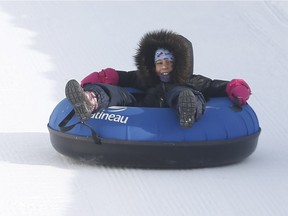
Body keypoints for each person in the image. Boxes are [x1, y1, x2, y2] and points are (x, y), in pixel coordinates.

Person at [65, 29, 251, 128]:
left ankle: (188, 111)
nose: (164, 67)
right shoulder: (147, 79)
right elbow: (122, 77)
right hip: (147, 104)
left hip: (178, 98)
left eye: (168, 63)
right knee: (120, 93)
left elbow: (216, 86)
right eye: (160, 63)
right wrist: (102, 78)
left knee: (183, 92)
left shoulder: (192, 80)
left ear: (178, 64)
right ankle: (91, 100)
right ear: (153, 65)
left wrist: (236, 88)